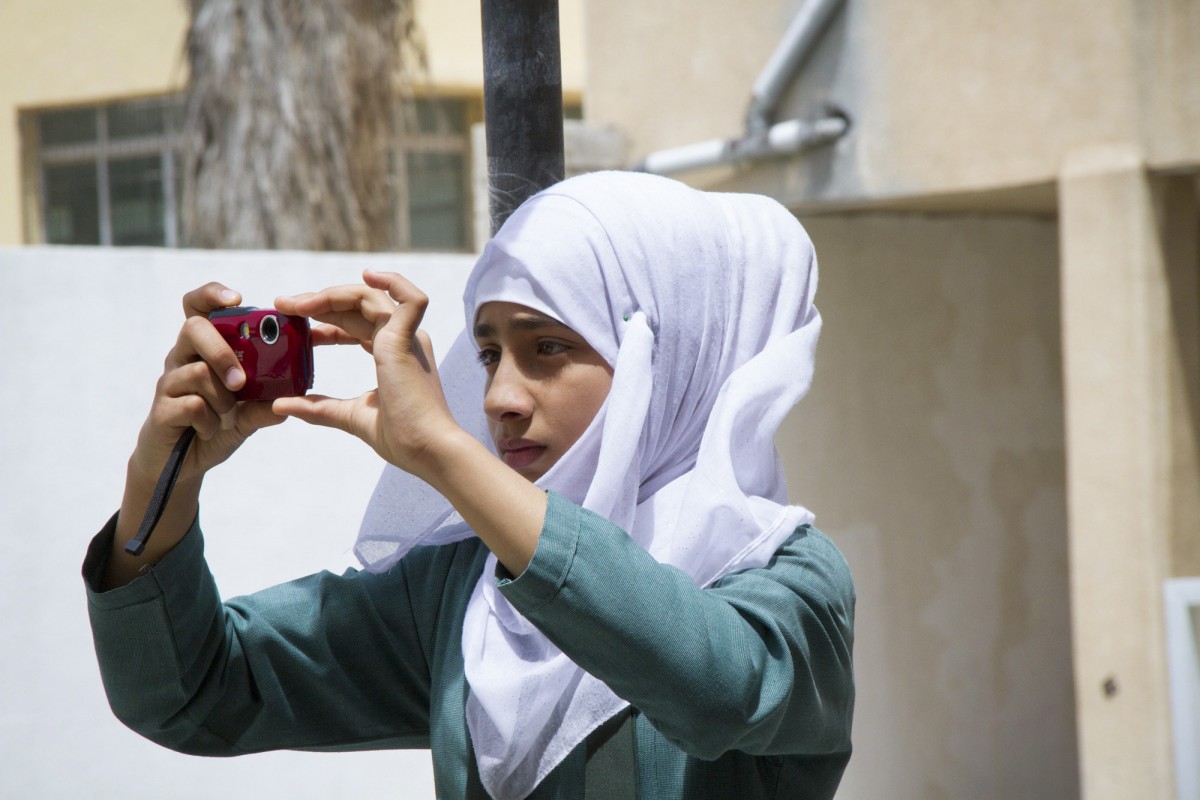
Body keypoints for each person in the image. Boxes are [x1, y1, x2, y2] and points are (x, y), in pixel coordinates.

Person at [83, 171, 855, 799]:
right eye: (488, 354)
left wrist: (444, 452)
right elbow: (194, 693)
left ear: (668, 357)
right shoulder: (468, 590)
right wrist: (161, 480)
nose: (499, 399)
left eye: (548, 347)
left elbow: (718, 689)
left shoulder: (787, 581)